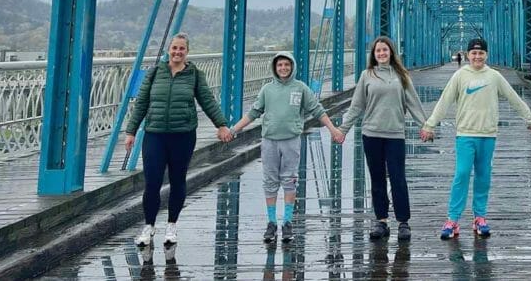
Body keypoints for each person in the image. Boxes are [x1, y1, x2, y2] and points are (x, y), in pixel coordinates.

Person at [419, 38, 531, 240]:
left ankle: (480, 217)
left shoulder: (494, 76)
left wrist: (530, 119)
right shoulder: (460, 75)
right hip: (465, 133)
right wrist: (430, 124)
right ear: (467, 55)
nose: (477, 57)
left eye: (481, 53)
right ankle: (453, 219)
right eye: (473, 53)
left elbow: (514, 98)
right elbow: (444, 101)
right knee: (462, 174)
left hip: (488, 134)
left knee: (483, 176)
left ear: (486, 55)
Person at [124, 33, 233, 248]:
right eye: (174, 48)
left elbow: (207, 101)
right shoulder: (154, 73)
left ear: (187, 52)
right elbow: (141, 103)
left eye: (181, 49)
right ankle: (149, 226)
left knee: (177, 180)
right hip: (154, 134)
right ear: (168, 50)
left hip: (182, 135)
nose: (177, 52)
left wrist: (221, 125)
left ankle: (172, 225)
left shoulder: (195, 75)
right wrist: (131, 131)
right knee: (152, 182)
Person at [231, 51, 345, 244]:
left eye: (286, 65)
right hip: (269, 141)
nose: (283, 68)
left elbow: (317, 109)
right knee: (270, 180)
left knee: (290, 180)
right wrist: (233, 130)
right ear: (275, 68)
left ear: (292, 66)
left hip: (291, 140)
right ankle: (272, 222)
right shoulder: (267, 89)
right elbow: (253, 112)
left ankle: (288, 222)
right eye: (279, 65)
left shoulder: (300, 88)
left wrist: (334, 130)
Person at [340, 36, 427, 242]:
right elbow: (357, 105)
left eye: (385, 51)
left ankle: (403, 222)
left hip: (395, 134)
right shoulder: (366, 75)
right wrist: (343, 129)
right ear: (374, 54)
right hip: (371, 134)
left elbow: (413, 103)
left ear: (391, 53)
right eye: (378, 51)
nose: (381, 54)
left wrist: (425, 125)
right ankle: (381, 221)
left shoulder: (401, 75)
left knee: (398, 178)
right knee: (377, 178)